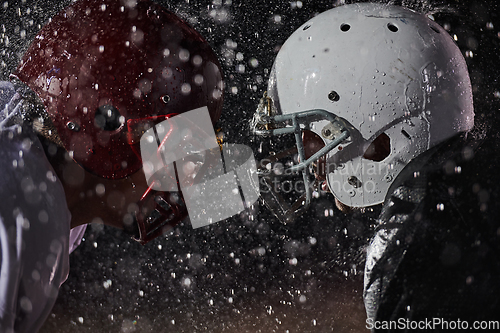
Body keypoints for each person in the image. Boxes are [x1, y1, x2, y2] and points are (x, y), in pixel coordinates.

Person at [251, 2, 500, 330]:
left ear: (380, 142)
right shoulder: (461, 200)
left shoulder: (427, 255)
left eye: (312, 134)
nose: (304, 159)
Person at [0, 0, 224, 331]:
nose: (185, 175)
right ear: (107, 124)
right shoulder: (23, 202)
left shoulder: (46, 182)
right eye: (175, 147)